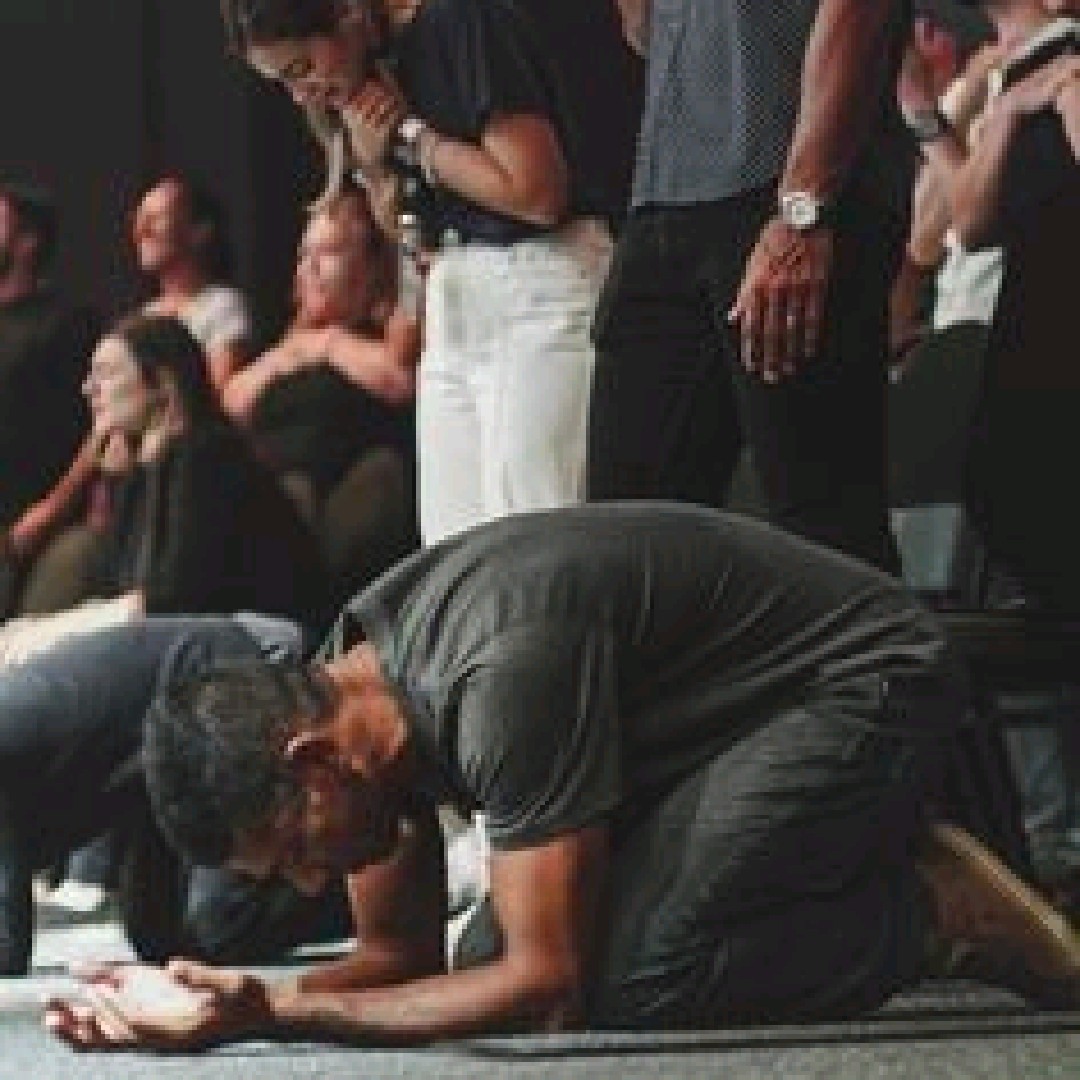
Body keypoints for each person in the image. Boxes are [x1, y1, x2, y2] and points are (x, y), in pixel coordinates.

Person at [44, 504, 1080, 1049]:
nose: (310, 884)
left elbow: (548, 993)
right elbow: (402, 960)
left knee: (627, 980)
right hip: (722, 729)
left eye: (292, 856)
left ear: (310, 765)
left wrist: (281, 1015)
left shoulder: (498, 674)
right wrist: (226, 999)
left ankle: (928, 911)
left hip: (860, 680)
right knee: (481, 954)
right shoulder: (348, 699)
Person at [219, 0, 613, 545]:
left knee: (529, 537)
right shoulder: (376, 71)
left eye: (302, 68)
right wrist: (377, 164)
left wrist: (413, 136)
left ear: (347, 14)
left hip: (535, 279)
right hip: (455, 291)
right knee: (452, 548)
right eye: (283, 81)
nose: (301, 93)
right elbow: (410, 237)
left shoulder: (457, 23)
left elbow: (536, 193)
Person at [588, 0, 916, 570]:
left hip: (790, 188)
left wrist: (802, 211)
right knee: (626, 531)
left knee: (821, 526)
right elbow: (644, 32)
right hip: (667, 192)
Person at [0, 614, 350, 978]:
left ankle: (368, 892)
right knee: (158, 942)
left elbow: (6, 947)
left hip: (229, 680)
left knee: (224, 923)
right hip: (145, 763)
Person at [0, 314, 329, 665]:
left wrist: (45, 634)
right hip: (186, 643)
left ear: (162, 384)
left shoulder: (209, 455)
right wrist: (118, 476)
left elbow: (173, 598)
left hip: (261, 645)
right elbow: (119, 585)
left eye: (106, 373)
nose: (88, 388)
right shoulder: (148, 465)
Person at [6, 176, 254, 618]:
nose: (141, 228)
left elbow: (207, 403)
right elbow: (106, 425)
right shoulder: (138, 319)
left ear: (200, 231)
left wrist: (55, 509)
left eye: (157, 216)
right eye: (139, 218)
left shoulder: (219, 308)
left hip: (169, 481)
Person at [223, 183, 420, 594]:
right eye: (303, 255)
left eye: (328, 252)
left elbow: (400, 380)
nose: (309, 268)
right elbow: (229, 404)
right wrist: (297, 349)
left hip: (349, 510)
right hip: (274, 502)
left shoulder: (386, 335)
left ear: (371, 268)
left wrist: (328, 343)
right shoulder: (286, 345)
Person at [0, 182, 98, 614]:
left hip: (25, 527)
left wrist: (53, 509)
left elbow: (98, 426)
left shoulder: (66, 324)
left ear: (28, 241)